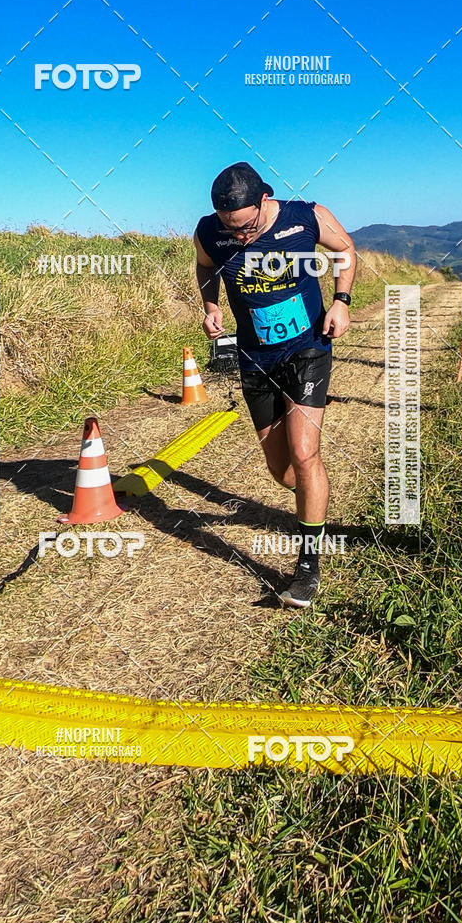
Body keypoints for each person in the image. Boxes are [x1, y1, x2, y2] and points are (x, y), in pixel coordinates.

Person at [194, 161, 356, 608]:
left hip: (308, 347)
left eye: (246, 227)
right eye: (233, 229)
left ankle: (307, 568)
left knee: (305, 453)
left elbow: (345, 249)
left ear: (264, 200)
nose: (240, 237)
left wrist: (341, 301)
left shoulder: (305, 216)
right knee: (282, 470)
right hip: (255, 357)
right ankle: (313, 496)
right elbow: (205, 266)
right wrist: (211, 307)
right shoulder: (209, 231)